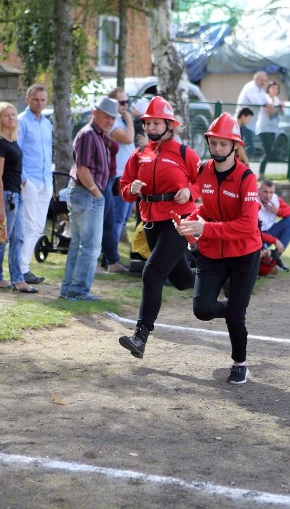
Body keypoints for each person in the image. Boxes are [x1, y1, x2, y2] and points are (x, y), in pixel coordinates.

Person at [174, 113, 261, 385]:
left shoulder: (247, 177)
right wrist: (190, 222)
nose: (218, 149)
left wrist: (205, 229)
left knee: (236, 316)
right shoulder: (203, 170)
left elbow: (248, 226)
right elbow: (208, 208)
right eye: (214, 143)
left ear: (235, 146)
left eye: (224, 144)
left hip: (245, 254)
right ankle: (234, 307)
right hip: (213, 252)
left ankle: (240, 363)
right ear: (208, 143)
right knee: (202, 310)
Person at [117, 96, 201, 358]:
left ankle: (140, 337)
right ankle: (216, 277)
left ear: (169, 125)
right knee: (182, 280)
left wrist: (189, 190)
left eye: (156, 123)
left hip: (179, 221)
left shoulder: (185, 153)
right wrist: (131, 189)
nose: (151, 128)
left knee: (152, 274)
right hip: (150, 222)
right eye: (148, 123)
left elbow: (203, 184)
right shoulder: (138, 155)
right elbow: (124, 189)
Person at [60, 97, 116, 301]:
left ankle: (69, 290)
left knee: (79, 244)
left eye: (113, 118)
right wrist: (97, 192)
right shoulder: (88, 134)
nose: (110, 121)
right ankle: (78, 291)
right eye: (106, 116)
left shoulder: (98, 135)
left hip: (84, 193)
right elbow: (82, 169)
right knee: (91, 247)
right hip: (86, 193)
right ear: (95, 113)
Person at [0, 102, 35, 294]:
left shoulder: (13, 141)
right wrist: (0, 206)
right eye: (7, 115)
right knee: (2, 238)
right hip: (6, 197)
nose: (12, 118)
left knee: (19, 239)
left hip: (16, 195)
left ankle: (17, 279)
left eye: (14, 115)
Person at [17, 84, 52, 285]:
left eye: (43, 100)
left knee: (38, 227)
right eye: (35, 99)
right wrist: (24, 180)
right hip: (29, 181)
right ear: (27, 99)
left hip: (45, 182)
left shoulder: (47, 124)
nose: (39, 103)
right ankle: (22, 269)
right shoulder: (21, 122)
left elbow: (48, 152)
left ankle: (24, 267)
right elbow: (17, 151)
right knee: (29, 226)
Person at [104, 87, 136, 274]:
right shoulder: (113, 122)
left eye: (126, 102)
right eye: (122, 102)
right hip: (118, 176)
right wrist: (130, 118)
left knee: (122, 219)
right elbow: (127, 138)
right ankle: (111, 260)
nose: (125, 106)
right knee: (116, 219)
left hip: (127, 175)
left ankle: (111, 258)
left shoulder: (121, 121)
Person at [258, 179, 290, 272]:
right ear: (258, 190)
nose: (268, 196)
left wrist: (277, 211)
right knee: (261, 258)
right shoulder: (252, 200)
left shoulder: (275, 199)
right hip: (257, 236)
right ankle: (267, 260)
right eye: (265, 192)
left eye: (271, 192)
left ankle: (275, 257)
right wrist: (275, 240)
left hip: (270, 231)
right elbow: (254, 231)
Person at [256, 81, 284, 177]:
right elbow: (270, 113)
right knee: (268, 151)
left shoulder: (276, 99)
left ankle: (261, 174)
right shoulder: (266, 98)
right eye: (272, 88)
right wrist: (278, 107)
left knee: (269, 152)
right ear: (268, 89)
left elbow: (282, 113)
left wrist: (281, 107)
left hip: (273, 129)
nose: (274, 90)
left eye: (276, 88)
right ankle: (260, 175)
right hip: (264, 129)